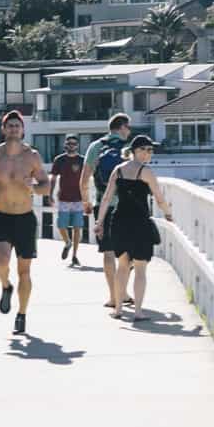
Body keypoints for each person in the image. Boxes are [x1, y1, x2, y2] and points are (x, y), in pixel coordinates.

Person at [0, 110, 51, 335]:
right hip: (2, 217)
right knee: (1, 263)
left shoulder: (32, 156)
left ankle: (22, 315)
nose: (14, 129)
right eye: (10, 126)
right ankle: (6, 286)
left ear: (23, 129)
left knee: (24, 272)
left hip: (25, 219)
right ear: (3, 129)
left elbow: (46, 185)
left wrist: (33, 188)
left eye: (18, 126)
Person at [93, 134, 172, 322]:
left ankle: (118, 309)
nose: (149, 153)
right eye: (147, 149)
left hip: (119, 221)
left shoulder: (118, 170)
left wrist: (99, 222)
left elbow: (106, 198)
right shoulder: (146, 172)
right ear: (137, 151)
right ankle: (137, 311)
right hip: (139, 222)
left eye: (151, 150)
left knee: (122, 266)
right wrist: (168, 213)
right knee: (140, 268)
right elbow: (159, 198)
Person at [83, 113, 133, 309]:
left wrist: (86, 201)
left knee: (108, 251)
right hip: (127, 206)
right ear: (121, 127)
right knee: (128, 252)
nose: (129, 132)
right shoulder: (128, 149)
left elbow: (85, 177)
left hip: (103, 204)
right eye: (128, 128)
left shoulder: (96, 146)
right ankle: (124, 291)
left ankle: (113, 297)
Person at [50, 135, 87, 266]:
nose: (71, 146)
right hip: (63, 198)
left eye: (74, 144)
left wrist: (87, 199)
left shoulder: (83, 160)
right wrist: (50, 194)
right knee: (61, 225)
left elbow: (87, 180)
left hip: (79, 199)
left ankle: (75, 255)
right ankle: (68, 242)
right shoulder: (59, 160)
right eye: (69, 143)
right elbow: (53, 178)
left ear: (77, 145)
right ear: (65, 145)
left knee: (77, 228)